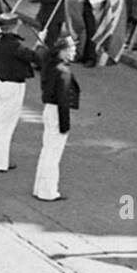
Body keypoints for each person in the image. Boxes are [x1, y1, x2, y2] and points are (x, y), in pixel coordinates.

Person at [0, 13, 40, 173]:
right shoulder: (14, 45)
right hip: (13, 85)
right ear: (14, 26)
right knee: (7, 125)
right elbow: (34, 57)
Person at [34, 35, 79, 202]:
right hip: (57, 111)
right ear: (62, 52)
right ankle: (48, 191)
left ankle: (40, 187)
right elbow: (63, 100)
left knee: (47, 150)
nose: (74, 52)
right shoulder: (63, 72)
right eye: (71, 50)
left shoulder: (51, 65)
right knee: (53, 154)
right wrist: (65, 125)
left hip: (49, 109)